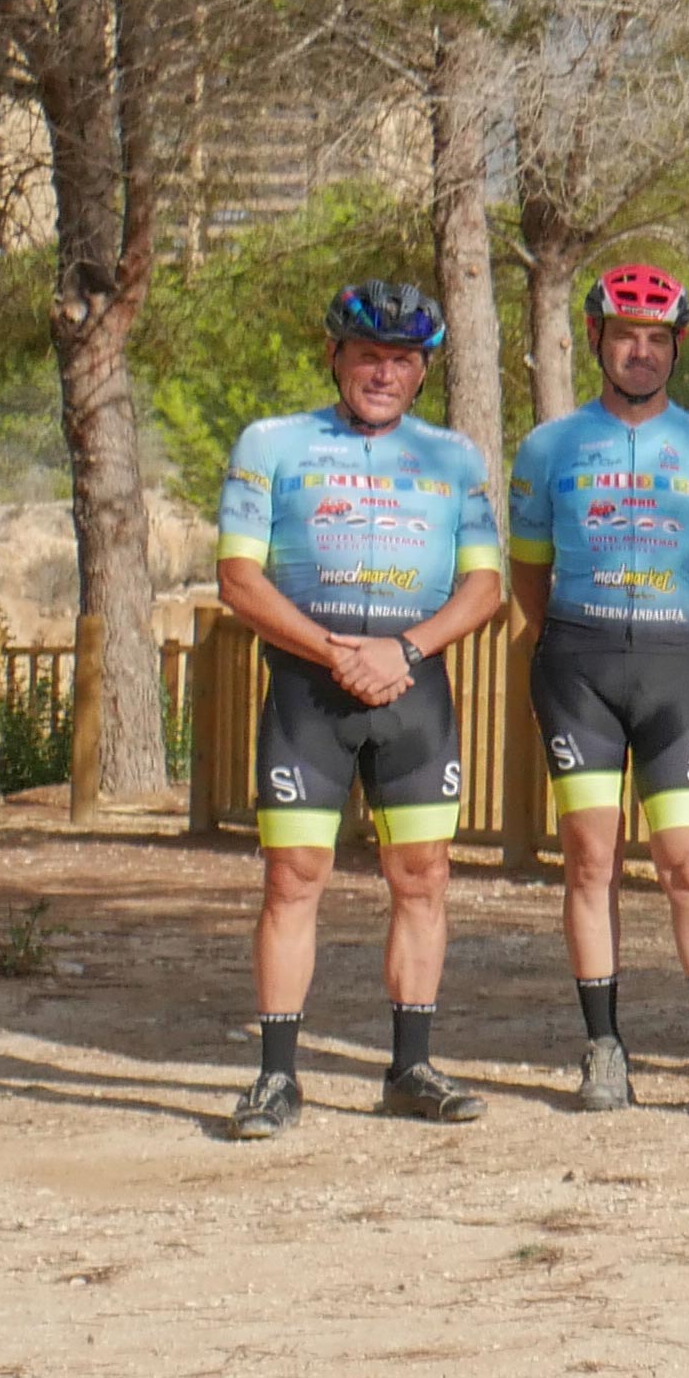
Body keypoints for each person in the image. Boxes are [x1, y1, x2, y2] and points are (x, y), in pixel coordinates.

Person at [213, 282, 506, 1139]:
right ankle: (274, 1077)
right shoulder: (272, 444)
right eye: (368, 355)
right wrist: (334, 649)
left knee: (422, 878)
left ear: (422, 373)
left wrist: (404, 650)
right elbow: (239, 577)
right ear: (336, 356)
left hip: (412, 690)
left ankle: (409, 1067)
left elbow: (485, 586)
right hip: (311, 688)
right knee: (292, 879)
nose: (384, 372)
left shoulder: (454, 457)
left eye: (403, 360)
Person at [507, 265, 689, 1118]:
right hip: (579, 669)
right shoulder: (549, 448)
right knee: (590, 860)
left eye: (657, 339)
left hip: (678, 671)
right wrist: (579, 640)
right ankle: (604, 1048)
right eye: (625, 335)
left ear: (676, 348)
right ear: (596, 340)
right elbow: (529, 576)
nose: (641, 352)